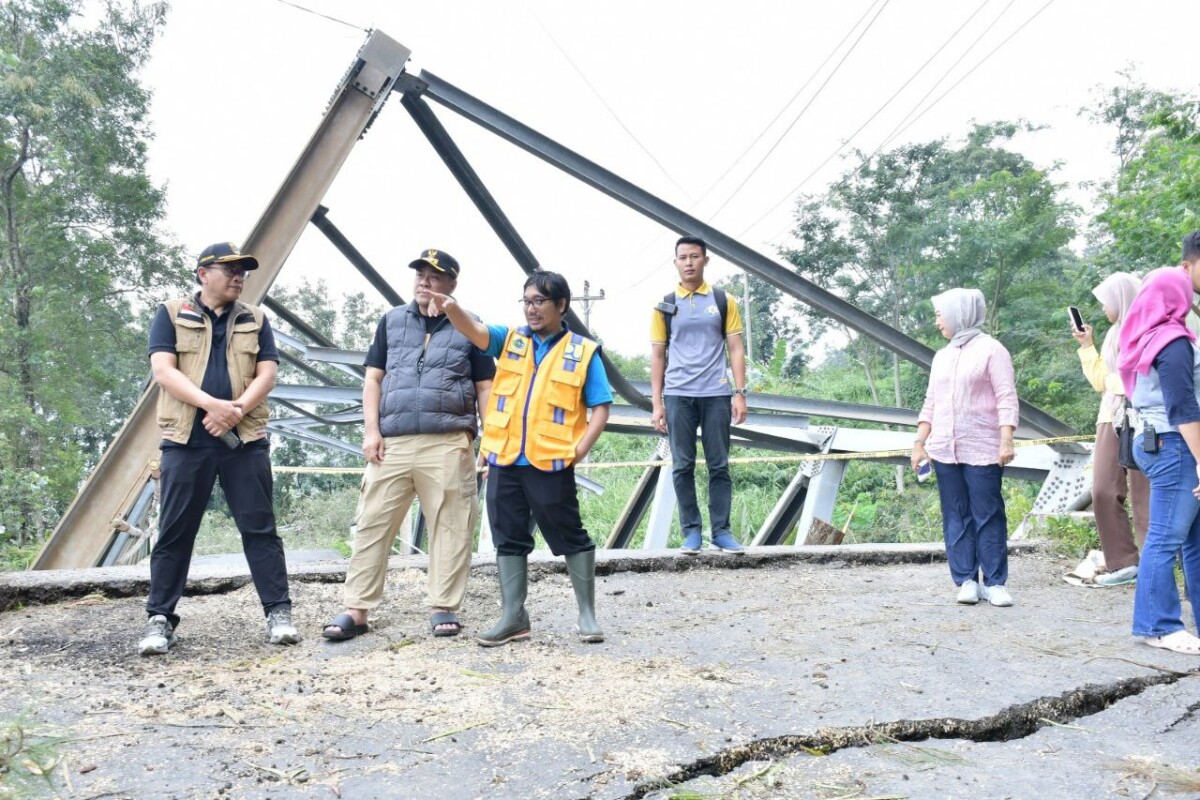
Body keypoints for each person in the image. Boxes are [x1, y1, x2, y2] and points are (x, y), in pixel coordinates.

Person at [430, 271, 612, 646]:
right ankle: (514, 616)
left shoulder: (582, 350)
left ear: (561, 305)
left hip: (551, 461)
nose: (531, 309)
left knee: (569, 535)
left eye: (539, 301)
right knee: (508, 538)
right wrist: (451, 308)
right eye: (527, 301)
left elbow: (601, 408)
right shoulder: (510, 340)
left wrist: (579, 451)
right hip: (505, 458)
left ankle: (587, 614)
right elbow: (475, 330)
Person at [322, 249, 495, 642]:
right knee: (372, 523)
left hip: (449, 439)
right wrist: (371, 431)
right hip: (393, 441)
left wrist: (490, 439)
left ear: (452, 284)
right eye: (420, 273)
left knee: (452, 524)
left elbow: (485, 386)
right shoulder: (392, 321)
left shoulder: (472, 328)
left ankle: (443, 606)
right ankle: (357, 609)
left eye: (435, 276)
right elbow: (373, 379)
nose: (424, 281)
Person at [140, 242, 298, 655]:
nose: (238, 276)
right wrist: (211, 406)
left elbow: (268, 373)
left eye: (242, 270)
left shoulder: (255, 318)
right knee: (176, 531)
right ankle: (160, 618)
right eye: (228, 269)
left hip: (243, 441)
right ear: (202, 273)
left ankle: (278, 613)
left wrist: (236, 410)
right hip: (186, 441)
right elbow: (163, 371)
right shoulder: (171, 313)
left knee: (260, 528)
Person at [912, 288, 1019, 607]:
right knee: (956, 514)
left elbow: (1006, 397)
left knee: (988, 514)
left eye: (939, 314)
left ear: (960, 313)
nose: (937, 321)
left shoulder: (992, 350)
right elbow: (930, 402)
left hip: (983, 447)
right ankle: (967, 580)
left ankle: (996, 582)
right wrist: (919, 442)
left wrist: (1007, 438)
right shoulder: (942, 356)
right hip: (944, 447)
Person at [1118, 253, 1200, 656]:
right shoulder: (1174, 342)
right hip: (1177, 446)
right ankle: (1159, 624)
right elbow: (1183, 407)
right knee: (1167, 537)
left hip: (1159, 443)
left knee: (1193, 541)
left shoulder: (1144, 336)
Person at [649, 236, 748, 555]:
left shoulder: (722, 300)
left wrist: (739, 392)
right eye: (682, 257)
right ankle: (691, 532)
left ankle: (721, 531)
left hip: (716, 393)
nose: (689, 262)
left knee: (719, 464)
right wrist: (656, 403)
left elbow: (735, 347)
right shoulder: (664, 304)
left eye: (694, 256)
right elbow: (658, 355)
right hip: (678, 394)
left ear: (705, 260)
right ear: (675, 262)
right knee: (682, 465)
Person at [1070, 272, 1149, 585]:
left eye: (1107, 301)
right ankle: (1123, 561)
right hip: (1110, 416)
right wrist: (1087, 346)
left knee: (1145, 495)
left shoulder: (1145, 328)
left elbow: (1140, 378)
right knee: (1102, 488)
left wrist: (1117, 383)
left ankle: (1154, 563)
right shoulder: (1113, 333)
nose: (1103, 308)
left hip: (1142, 418)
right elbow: (1101, 381)